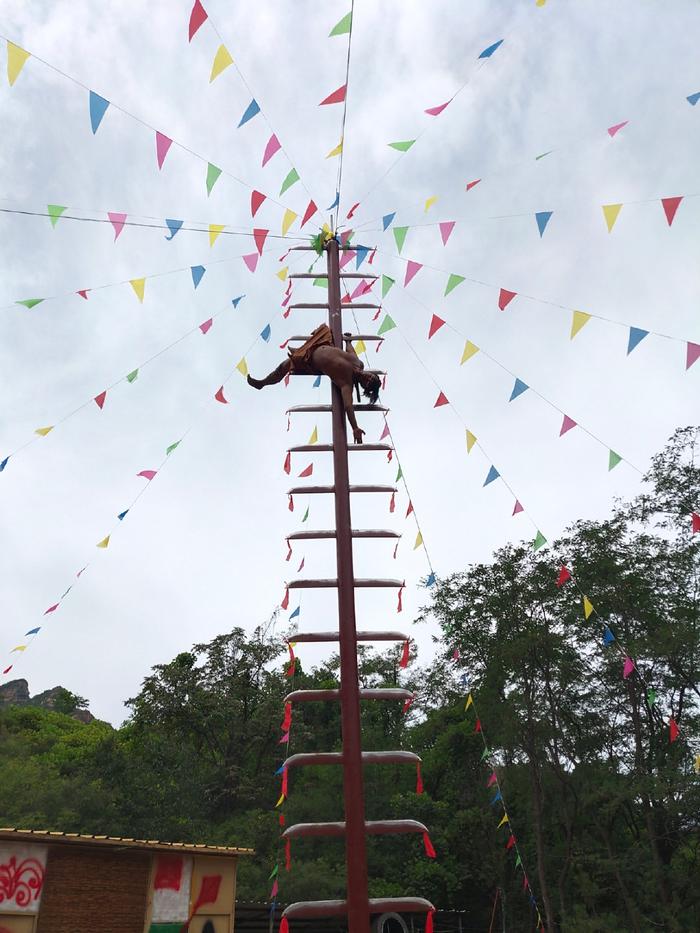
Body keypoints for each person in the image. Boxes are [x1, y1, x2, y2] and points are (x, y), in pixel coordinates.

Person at [247, 324, 381, 444]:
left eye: (369, 382)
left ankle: (262, 383)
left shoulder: (347, 384)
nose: (368, 378)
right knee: (326, 329)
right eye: (371, 377)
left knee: (284, 366)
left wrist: (355, 427)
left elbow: (348, 406)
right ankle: (303, 347)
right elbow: (351, 351)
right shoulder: (358, 362)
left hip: (310, 360)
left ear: (364, 387)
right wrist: (348, 342)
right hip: (321, 342)